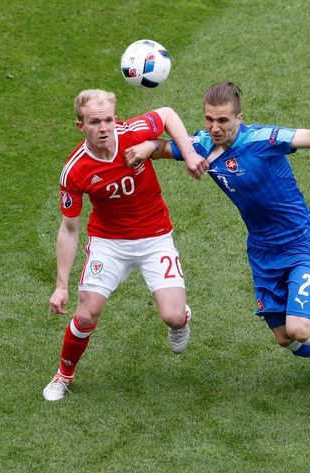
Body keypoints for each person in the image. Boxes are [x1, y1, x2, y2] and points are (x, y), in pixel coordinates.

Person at [126, 82, 310, 388]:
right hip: (262, 252)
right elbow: (167, 147)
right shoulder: (203, 145)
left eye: (222, 120)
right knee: (286, 339)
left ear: (239, 118)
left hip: (299, 245)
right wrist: (148, 147)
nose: (214, 127)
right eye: (209, 119)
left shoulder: (264, 139)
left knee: (300, 329)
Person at [43, 89, 208, 401]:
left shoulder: (132, 134)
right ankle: (63, 374)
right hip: (110, 243)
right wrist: (61, 285)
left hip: (155, 238)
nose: (103, 128)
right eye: (94, 122)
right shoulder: (75, 170)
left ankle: (181, 318)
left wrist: (188, 155)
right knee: (87, 314)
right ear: (81, 126)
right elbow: (68, 228)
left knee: (172, 316)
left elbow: (168, 114)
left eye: (108, 120)